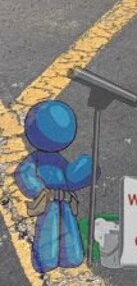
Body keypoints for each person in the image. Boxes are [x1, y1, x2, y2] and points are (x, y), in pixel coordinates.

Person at [15, 100, 94, 273]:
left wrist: (85, 171)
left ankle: (71, 256)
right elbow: (25, 173)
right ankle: (46, 260)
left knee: (68, 228)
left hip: (63, 201)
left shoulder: (59, 161)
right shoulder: (35, 160)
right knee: (48, 230)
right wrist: (39, 190)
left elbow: (69, 177)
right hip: (49, 201)